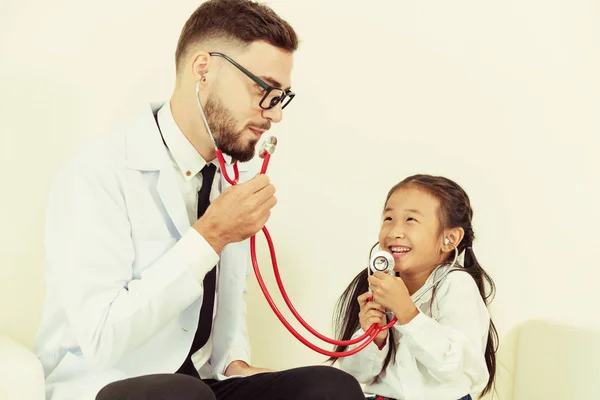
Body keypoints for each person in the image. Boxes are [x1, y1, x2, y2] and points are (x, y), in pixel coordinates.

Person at [34, 1, 364, 399]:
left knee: (329, 387)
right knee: (181, 395)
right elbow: (102, 338)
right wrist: (209, 236)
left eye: (280, 96)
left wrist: (234, 361)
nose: (274, 114)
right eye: (262, 89)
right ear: (203, 69)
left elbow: (226, 302)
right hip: (108, 383)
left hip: (201, 384)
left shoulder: (232, 175)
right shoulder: (99, 172)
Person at [329, 175, 499, 400]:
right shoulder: (377, 286)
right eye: (388, 218)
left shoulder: (456, 285)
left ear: (449, 239)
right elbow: (356, 375)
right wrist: (375, 337)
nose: (394, 232)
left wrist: (408, 313)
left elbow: (454, 368)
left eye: (411, 220)